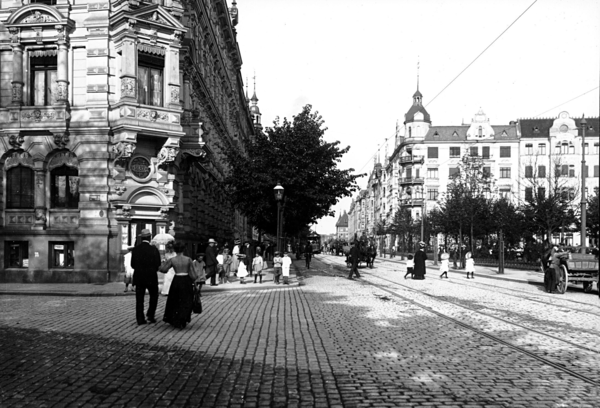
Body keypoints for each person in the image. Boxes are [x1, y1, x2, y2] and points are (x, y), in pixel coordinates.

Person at [159, 241, 195, 329]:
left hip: (177, 280)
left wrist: (162, 263)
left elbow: (164, 269)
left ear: (175, 249)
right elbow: (194, 275)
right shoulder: (188, 259)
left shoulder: (173, 260)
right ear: (183, 249)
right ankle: (184, 318)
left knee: (175, 300)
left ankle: (176, 318)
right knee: (186, 300)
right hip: (186, 280)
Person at [130, 229, 161, 325]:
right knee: (154, 297)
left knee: (139, 299)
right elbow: (158, 264)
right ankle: (150, 316)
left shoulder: (135, 249)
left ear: (142, 238)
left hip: (139, 277)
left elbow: (133, 264)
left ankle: (140, 319)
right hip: (151, 276)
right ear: (150, 237)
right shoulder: (154, 249)